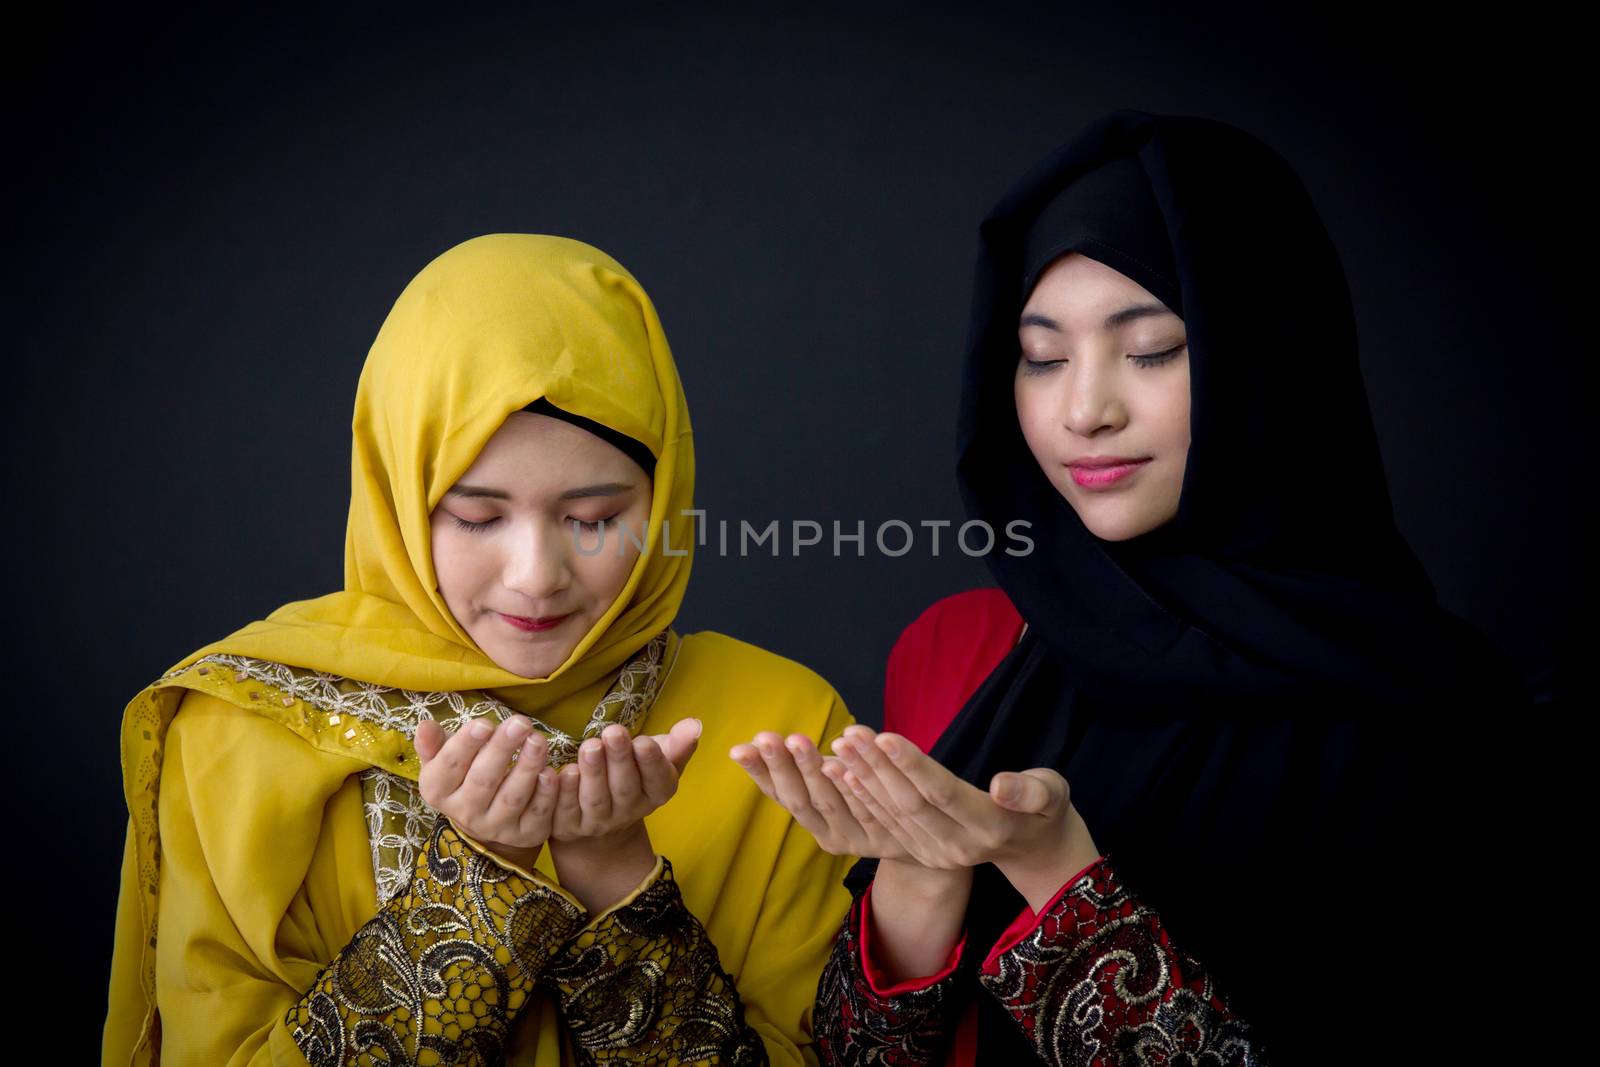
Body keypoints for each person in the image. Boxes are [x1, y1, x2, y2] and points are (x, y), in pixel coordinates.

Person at [733, 110, 1531, 1066]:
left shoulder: (1435, 715)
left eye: (1151, 348)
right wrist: (914, 876)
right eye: (1042, 357)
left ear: (1266, 356)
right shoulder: (984, 652)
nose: (1085, 409)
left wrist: (1056, 874)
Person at [104, 234, 856, 1067]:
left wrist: (618, 875)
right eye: (475, 516)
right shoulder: (237, 734)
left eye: (596, 517)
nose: (537, 576)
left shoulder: (780, 730)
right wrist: (477, 881)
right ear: (395, 498)